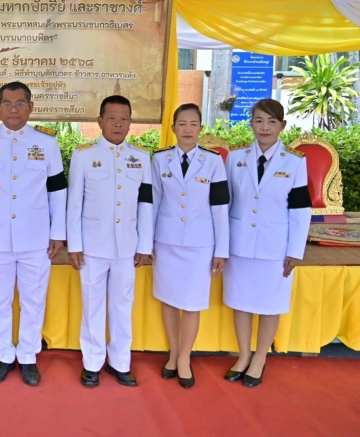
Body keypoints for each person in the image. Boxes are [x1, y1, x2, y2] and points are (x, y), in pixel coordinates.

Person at [0, 81, 67, 387]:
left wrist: (58, 232)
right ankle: (4, 354)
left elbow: (57, 191)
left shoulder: (46, 142)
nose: (13, 109)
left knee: (34, 300)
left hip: (36, 238)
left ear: (31, 107)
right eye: (7, 104)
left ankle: (28, 356)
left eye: (20, 103)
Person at [223, 99, 311, 388]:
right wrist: (221, 245)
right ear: (251, 123)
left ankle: (260, 358)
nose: (265, 127)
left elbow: (300, 209)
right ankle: (243, 356)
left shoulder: (295, 162)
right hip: (239, 243)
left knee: (270, 304)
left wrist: (295, 251)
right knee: (240, 302)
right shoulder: (235, 157)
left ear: (282, 126)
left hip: (275, 247)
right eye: (259, 120)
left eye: (272, 121)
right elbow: (225, 204)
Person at [66, 95, 153, 388]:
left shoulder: (141, 157)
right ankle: (92, 363)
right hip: (92, 246)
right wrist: (74, 245)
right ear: (100, 121)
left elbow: (146, 203)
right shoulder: (83, 155)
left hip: (127, 246)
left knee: (122, 306)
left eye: (124, 118)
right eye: (112, 118)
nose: (118, 124)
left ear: (130, 123)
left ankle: (120, 362)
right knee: (92, 305)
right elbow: (74, 203)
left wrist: (144, 245)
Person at [151, 103, 229, 389]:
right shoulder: (159, 160)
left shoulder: (213, 161)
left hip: (200, 244)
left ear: (201, 128)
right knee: (169, 299)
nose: (187, 129)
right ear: (173, 127)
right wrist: (146, 241)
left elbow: (220, 207)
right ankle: (173, 353)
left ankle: (185, 357)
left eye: (193, 124)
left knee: (192, 303)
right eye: (182, 124)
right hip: (166, 240)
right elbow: (152, 202)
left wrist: (221, 249)